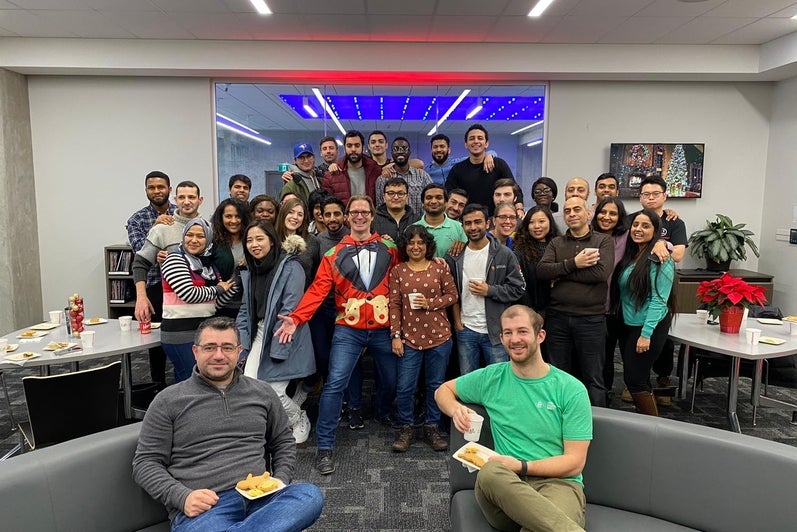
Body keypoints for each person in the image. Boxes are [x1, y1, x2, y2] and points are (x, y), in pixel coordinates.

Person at [132, 316, 324, 531]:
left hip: (262, 498)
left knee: (309, 495)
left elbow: (282, 441)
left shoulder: (262, 393)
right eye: (210, 347)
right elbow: (145, 463)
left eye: (227, 347)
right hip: (206, 508)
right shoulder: (168, 400)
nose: (219, 355)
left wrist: (280, 480)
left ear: (239, 352)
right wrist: (183, 497)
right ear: (195, 352)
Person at [434, 305, 592, 532]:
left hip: (558, 485)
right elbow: (442, 391)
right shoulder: (491, 377)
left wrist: (522, 465)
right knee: (490, 472)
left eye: (522, 331)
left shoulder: (570, 389)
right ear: (501, 338)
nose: (515, 339)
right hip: (505, 487)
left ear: (540, 336)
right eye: (508, 333)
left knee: (541, 524)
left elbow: (574, 463)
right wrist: (455, 409)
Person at [274, 195, 400, 475]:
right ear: (347, 217)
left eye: (364, 211)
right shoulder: (332, 255)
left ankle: (381, 410)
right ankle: (325, 447)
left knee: (392, 381)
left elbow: (400, 281)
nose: (359, 216)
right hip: (348, 329)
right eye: (354, 212)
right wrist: (296, 318)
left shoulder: (390, 248)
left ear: (371, 215)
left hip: (383, 329)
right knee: (334, 385)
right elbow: (318, 290)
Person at [237, 220, 315, 443]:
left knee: (275, 391)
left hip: (285, 333)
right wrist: (242, 343)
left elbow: (289, 310)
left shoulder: (292, 266)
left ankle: (299, 418)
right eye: (249, 240)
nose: (254, 244)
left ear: (272, 240)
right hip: (260, 333)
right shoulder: (251, 269)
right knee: (250, 386)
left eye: (259, 238)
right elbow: (245, 309)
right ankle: (272, 426)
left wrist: (279, 352)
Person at [537, 197, 614, 407]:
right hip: (558, 319)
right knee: (557, 375)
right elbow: (543, 271)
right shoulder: (556, 242)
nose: (571, 214)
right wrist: (575, 263)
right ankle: (557, 422)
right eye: (567, 210)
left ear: (588, 213)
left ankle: (598, 425)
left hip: (591, 321)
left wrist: (561, 272)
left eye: (576, 209)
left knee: (593, 377)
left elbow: (600, 273)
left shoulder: (603, 241)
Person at [139, 218, 237, 383]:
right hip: (180, 334)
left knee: (199, 382)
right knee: (190, 382)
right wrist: (219, 289)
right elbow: (188, 294)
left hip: (202, 334)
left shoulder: (208, 266)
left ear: (209, 239)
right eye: (189, 235)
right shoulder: (174, 260)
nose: (194, 240)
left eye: (200, 236)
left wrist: (234, 284)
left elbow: (213, 305)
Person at [388, 225, 458, 453]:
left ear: (427, 246)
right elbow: (394, 305)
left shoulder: (439, 268)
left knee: (435, 386)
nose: (416, 247)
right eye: (411, 243)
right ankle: (406, 428)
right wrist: (395, 336)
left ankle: (432, 427)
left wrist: (431, 304)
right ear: (404, 246)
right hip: (409, 340)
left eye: (420, 243)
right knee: (405, 387)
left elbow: (452, 295)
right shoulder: (398, 271)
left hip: (439, 337)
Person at [447, 204, 525, 374]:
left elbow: (519, 288)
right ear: (462, 226)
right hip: (466, 330)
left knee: (498, 381)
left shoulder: (504, 254)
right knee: (468, 383)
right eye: (468, 223)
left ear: (488, 223)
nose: (473, 227)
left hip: (496, 331)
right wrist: (457, 323)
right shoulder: (455, 255)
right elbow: (451, 292)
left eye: (477, 222)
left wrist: (489, 290)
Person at [611, 210, 676, 416]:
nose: (638, 229)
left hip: (648, 327)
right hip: (629, 324)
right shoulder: (632, 254)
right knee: (636, 377)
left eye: (645, 226)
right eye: (636, 225)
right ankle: (643, 423)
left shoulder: (660, 258)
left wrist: (646, 334)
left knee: (634, 379)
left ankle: (653, 427)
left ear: (656, 231)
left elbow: (659, 299)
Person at [636, 176, 687, 405]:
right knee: (634, 335)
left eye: (655, 193)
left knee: (661, 336)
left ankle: (663, 382)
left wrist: (662, 243)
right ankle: (638, 383)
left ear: (664, 196)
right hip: (637, 284)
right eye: (646, 194)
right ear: (640, 197)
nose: (650, 198)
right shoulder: (634, 220)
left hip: (662, 285)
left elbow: (677, 255)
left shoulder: (674, 223)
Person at [126, 170, 175, 388]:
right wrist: (156, 228)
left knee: (180, 338)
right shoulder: (137, 219)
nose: (156, 191)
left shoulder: (181, 212)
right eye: (152, 187)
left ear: (169, 190)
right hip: (154, 284)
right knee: (156, 341)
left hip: (180, 287)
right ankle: (158, 384)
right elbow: (139, 250)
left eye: (160, 187)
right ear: (146, 190)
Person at [133, 181, 204, 327]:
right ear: (175, 199)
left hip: (205, 310)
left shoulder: (209, 228)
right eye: (182, 197)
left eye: (191, 197)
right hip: (171, 312)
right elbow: (140, 263)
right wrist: (141, 297)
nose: (186, 202)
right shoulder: (162, 229)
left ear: (200, 200)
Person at [591, 196, 629, 399]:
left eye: (612, 213)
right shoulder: (588, 236)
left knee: (607, 357)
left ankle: (604, 397)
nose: (606, 217)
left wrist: (662, 245)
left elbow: (651, 241)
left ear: (620, 217)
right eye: (603, 212)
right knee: (593, 357)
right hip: (590, 307)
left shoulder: (626, 237)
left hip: (614, 308)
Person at [445, 124, 522, 216]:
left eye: (480, 138)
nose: (476, 141)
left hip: (495, 219)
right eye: (472, 138)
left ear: (486, 144)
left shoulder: (498, 164)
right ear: (466, 144)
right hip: (468, 220)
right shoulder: (457, 169)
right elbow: (448, 195)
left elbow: (515, 189)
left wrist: (519, 209)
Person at [512, 205, 561, 319]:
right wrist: (532, 313)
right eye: (531, 222)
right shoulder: (519, 249)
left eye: (541, 221)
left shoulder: (560, 245)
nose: (537, 226)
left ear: (550, 222)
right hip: (529, 311)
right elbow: (519, 284)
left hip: (557, 312)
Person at [210, 198, 251, 319]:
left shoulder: (252, 240)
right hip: (220, 306)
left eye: (238, 216)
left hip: (247, 307)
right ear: (220, 218)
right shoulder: (213, 242)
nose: (233, 221)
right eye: (228, 216)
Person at [375, 137, 432, 215]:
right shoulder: (383, 179)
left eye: (404, 148)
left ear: (409, 152)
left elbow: (431, 201)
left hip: (419, 225)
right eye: (396, 149)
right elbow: (380, 208)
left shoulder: (423, 176)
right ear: (391, 153)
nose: (400, 152)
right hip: (392, 225)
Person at [323, 130, 382, 205]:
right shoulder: (331, 175)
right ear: (344, 148)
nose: (353, 149)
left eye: (357, 145)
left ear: (363, 148)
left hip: (370, 216)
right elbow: (328, 207)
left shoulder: (375, 172)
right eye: (349, 146)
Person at [274, 196, 320, 290]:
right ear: (283, 213)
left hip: (304, 297)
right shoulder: (271, 239)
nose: (295, 217)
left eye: (300, 214)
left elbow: (315, 274)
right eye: (291, 212)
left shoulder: (312, 241)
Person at [415, 183, 467, 258]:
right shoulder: (413, 228)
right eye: (429, 198)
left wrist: (463, 246)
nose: (433, 201)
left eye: (439, 198)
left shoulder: (460, 228)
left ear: (446, 202)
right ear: (423, 203)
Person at [426, 133, 495, 186]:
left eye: (442, 146)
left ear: (449, 150)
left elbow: (492, 153)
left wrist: (488, 155)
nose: (438, 150)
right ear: (431, 150)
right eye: (435, 147)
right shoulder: (426, 172)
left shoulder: (458, 163)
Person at [371, 177, 420, 242]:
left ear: (407, 197)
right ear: (384, 197)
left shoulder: (416, 221)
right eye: (391, 193)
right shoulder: (373, 220)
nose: (396, 197)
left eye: (400, 194)